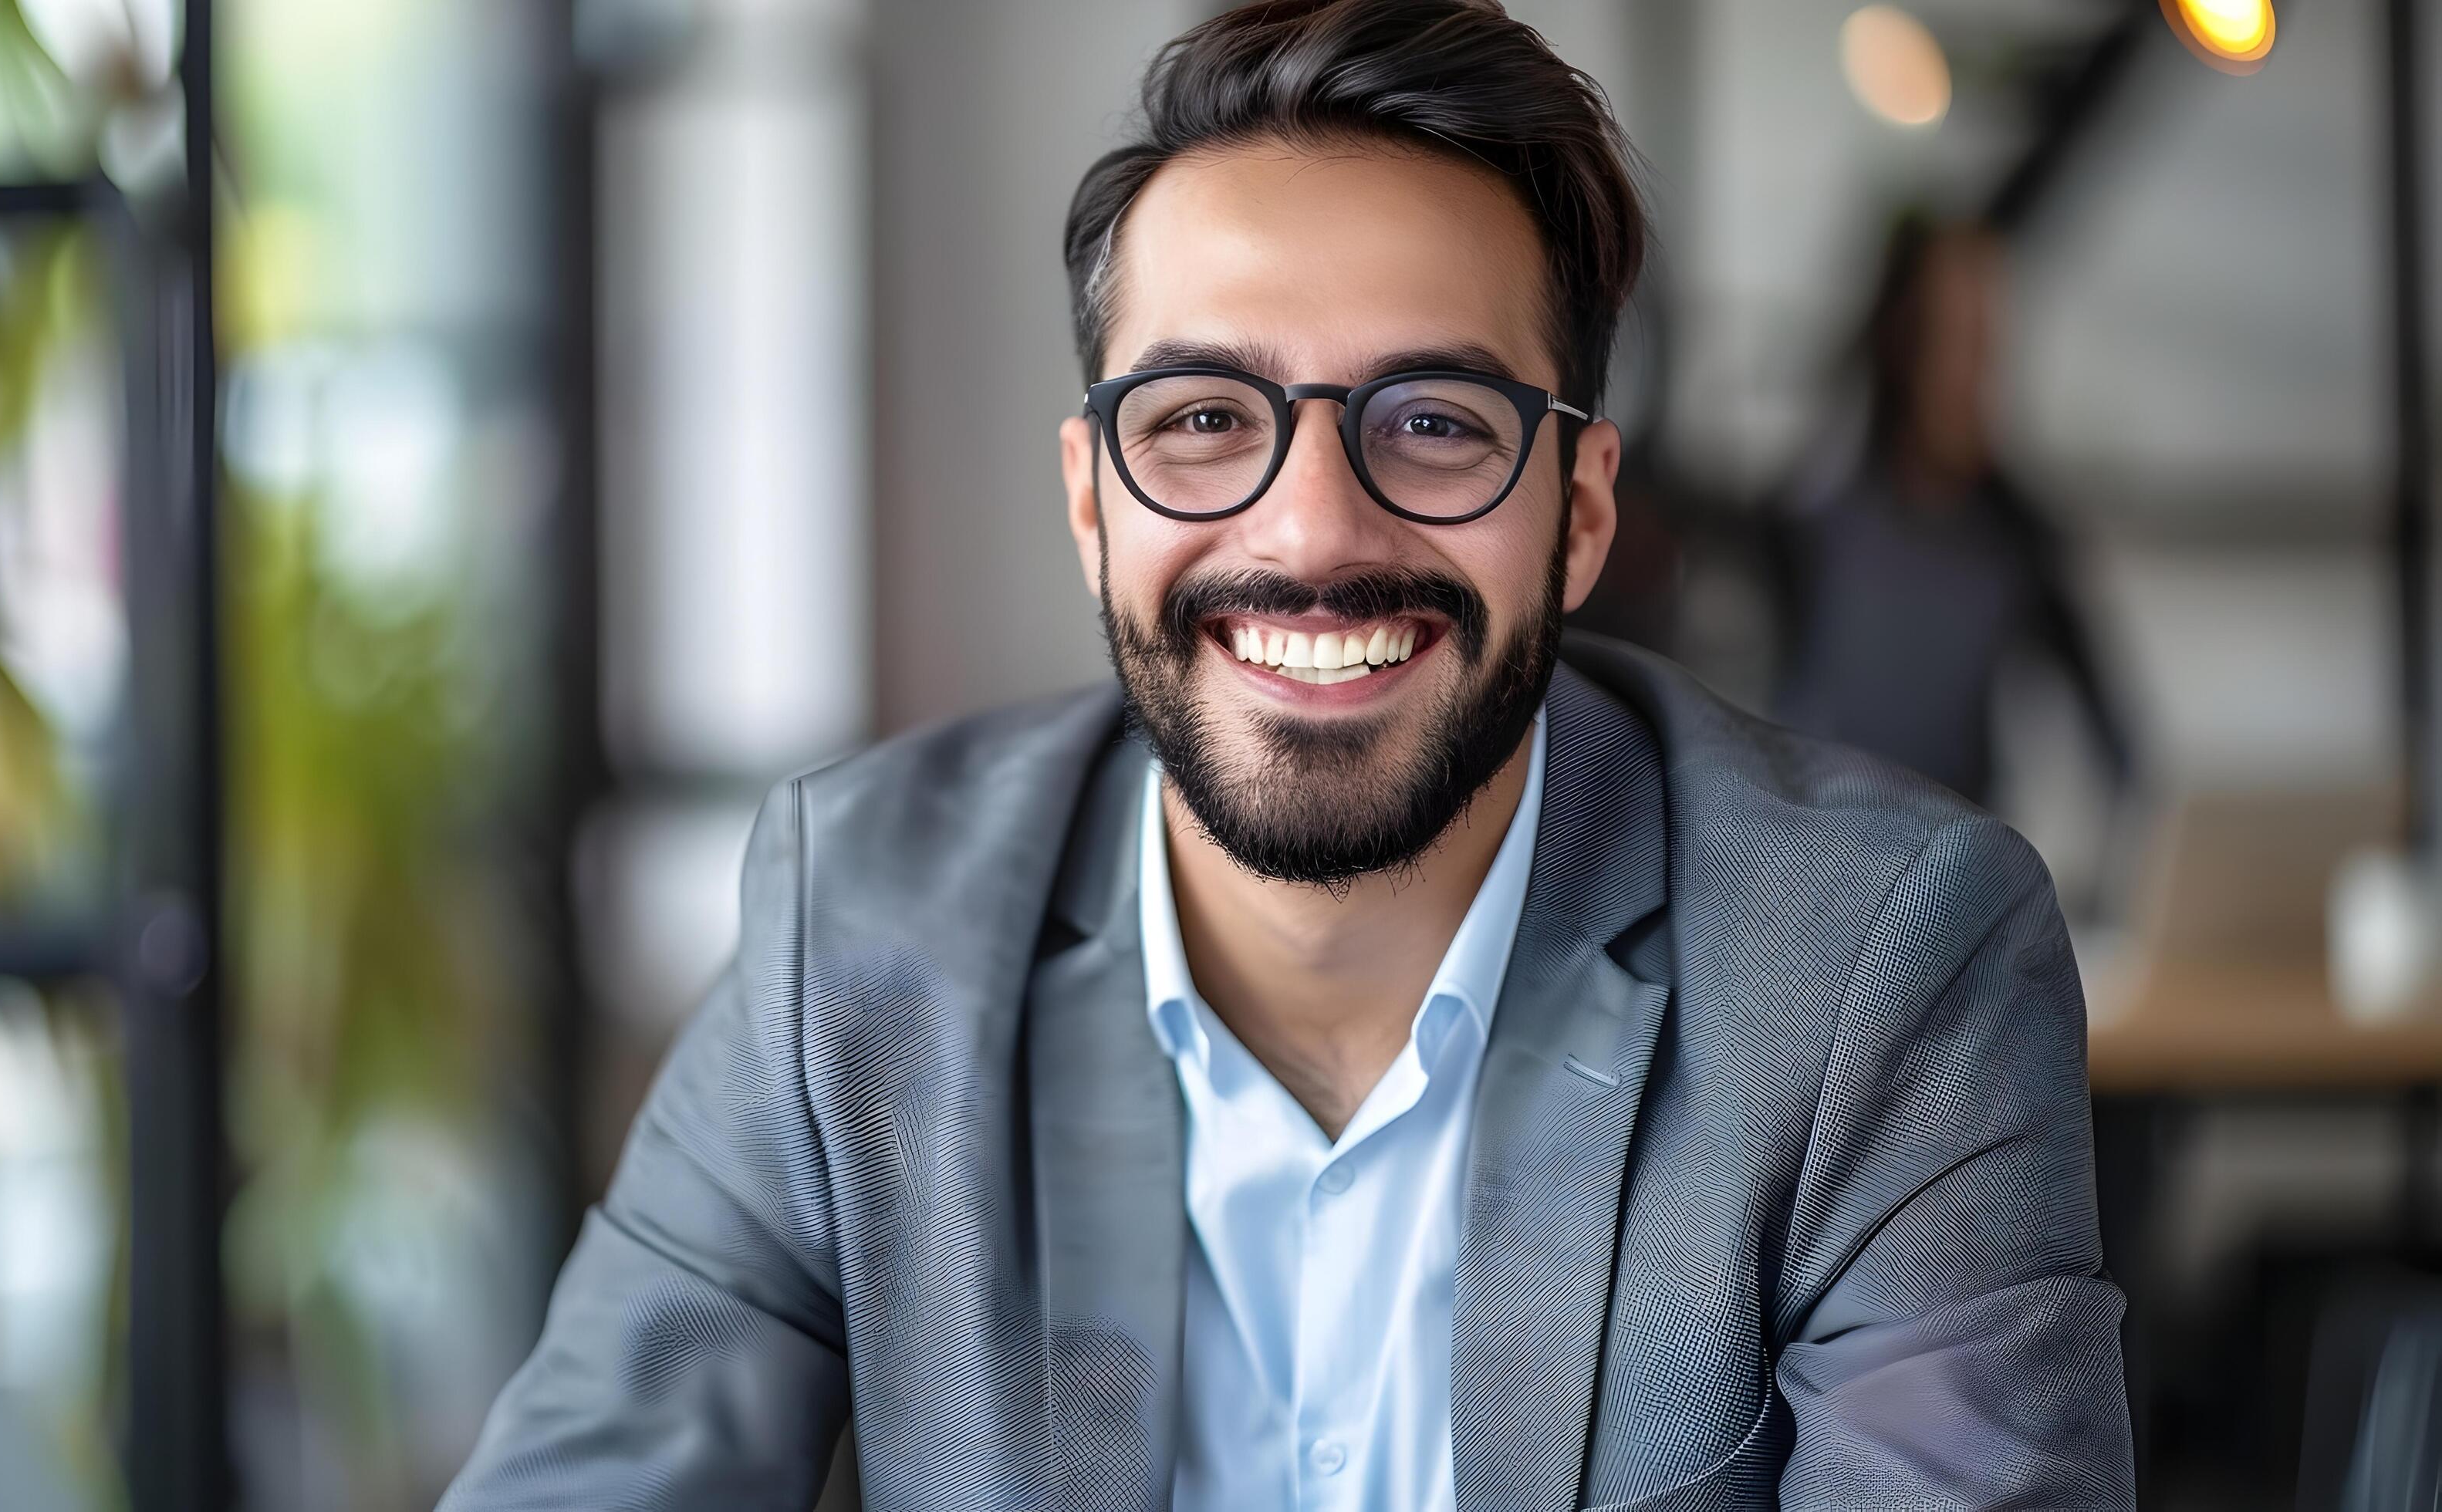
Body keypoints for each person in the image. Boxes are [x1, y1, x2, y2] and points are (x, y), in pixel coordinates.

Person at [443, 3, 2133, 1507]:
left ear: (1581, 514)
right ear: (1090, 500)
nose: (1312, 529)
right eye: (1198, 420)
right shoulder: (859, 930)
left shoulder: (1876, 965)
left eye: (1434, 423)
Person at [1772, 215, 2134, 810]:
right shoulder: (1811, 522)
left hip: (1968, 867)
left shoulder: (2016, 534)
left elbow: (2118, 743)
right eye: (1961, 343)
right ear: (1904, 343)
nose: (1981, 377)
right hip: (1825, 863)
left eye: (1992, 345)